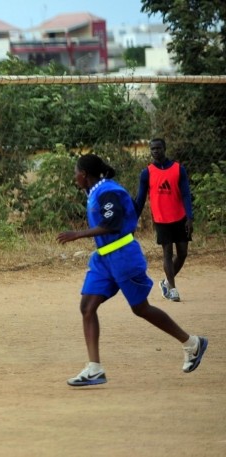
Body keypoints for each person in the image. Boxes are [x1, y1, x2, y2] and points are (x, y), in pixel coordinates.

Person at [57, 154, 207, 387]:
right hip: (104, 259)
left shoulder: (108, 191)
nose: (74, 176)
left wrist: (77, 234)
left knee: (141, 308)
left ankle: (191, 343)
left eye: (76, 172)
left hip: (124, 256)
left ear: (84, 174)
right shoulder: (94, 190)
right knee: (87, 307)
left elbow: (113, 223)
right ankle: (94, 369)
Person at [133, 138, 194, 302]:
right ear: (150, 151)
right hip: (161, 219)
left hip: (180, 217)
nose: (155, 151)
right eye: (152, 149)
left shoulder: (178, 169)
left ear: (164, 148)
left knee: (182, 254)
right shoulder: (147, 173)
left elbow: (186, 194)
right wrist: (133, 221)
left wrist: (190, 217)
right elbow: (140, 200)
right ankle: (173, 289)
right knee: (167, 253)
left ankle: (166, 283)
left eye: (158, 148)